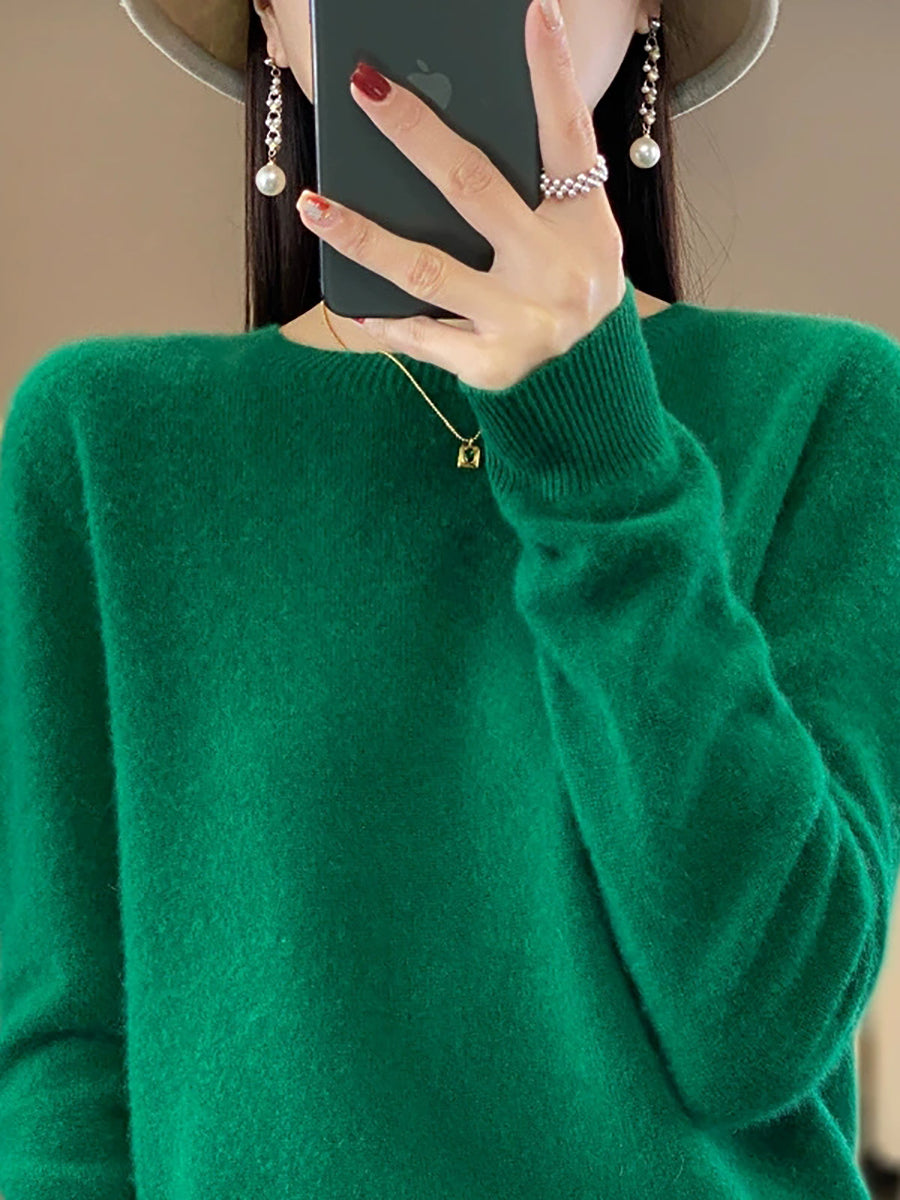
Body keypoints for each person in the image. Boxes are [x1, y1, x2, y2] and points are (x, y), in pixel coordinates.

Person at [1, 0, 898, 1197]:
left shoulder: (832, 405)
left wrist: (599, 445)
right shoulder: (101, 444)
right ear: (273, 19)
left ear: (649, 12)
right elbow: (63, 1071)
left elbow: (763, 1027)